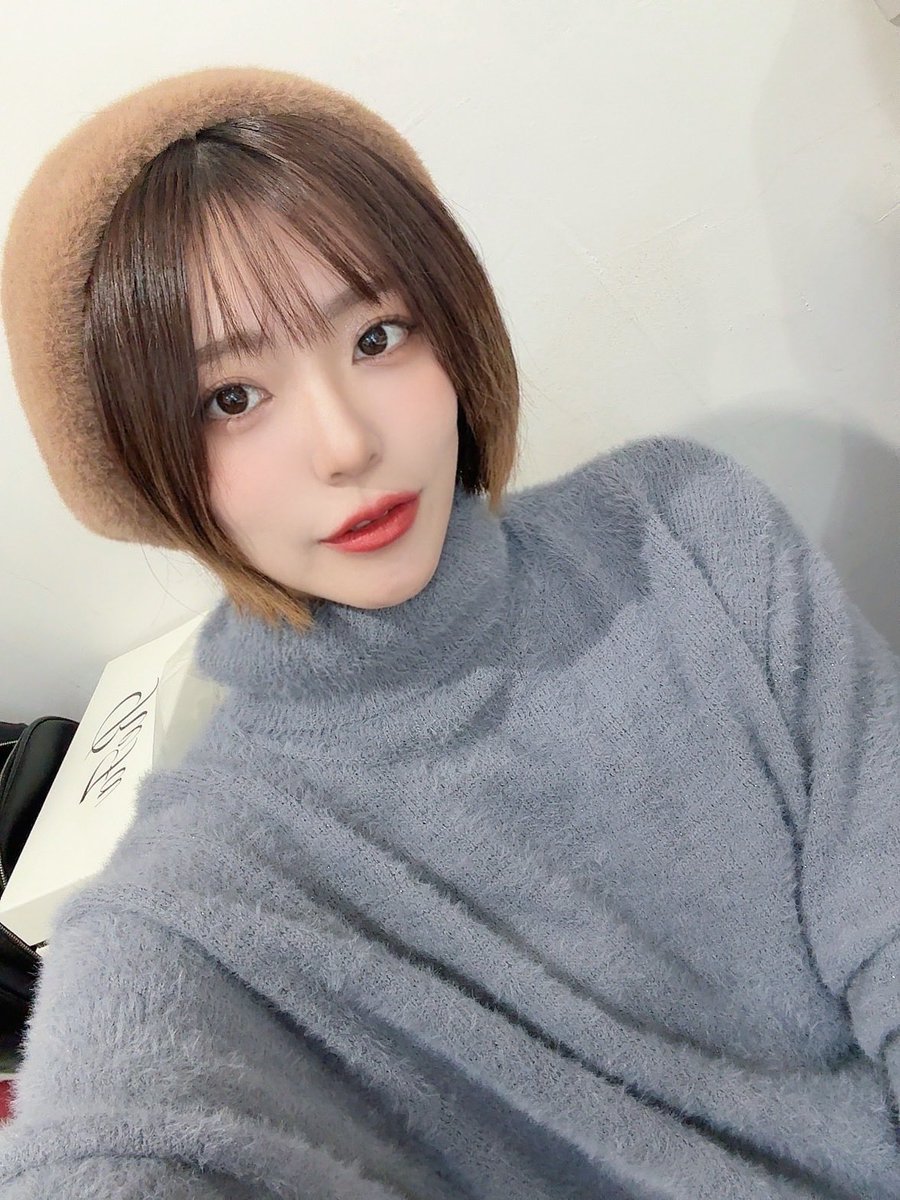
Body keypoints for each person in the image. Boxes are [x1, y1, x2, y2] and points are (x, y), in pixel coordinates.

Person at [0, 64, 897, 1200]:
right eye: (231, 398)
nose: (346, 443)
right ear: (138, 461)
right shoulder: (196, 905)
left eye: (377, 335)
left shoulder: (689, 530)